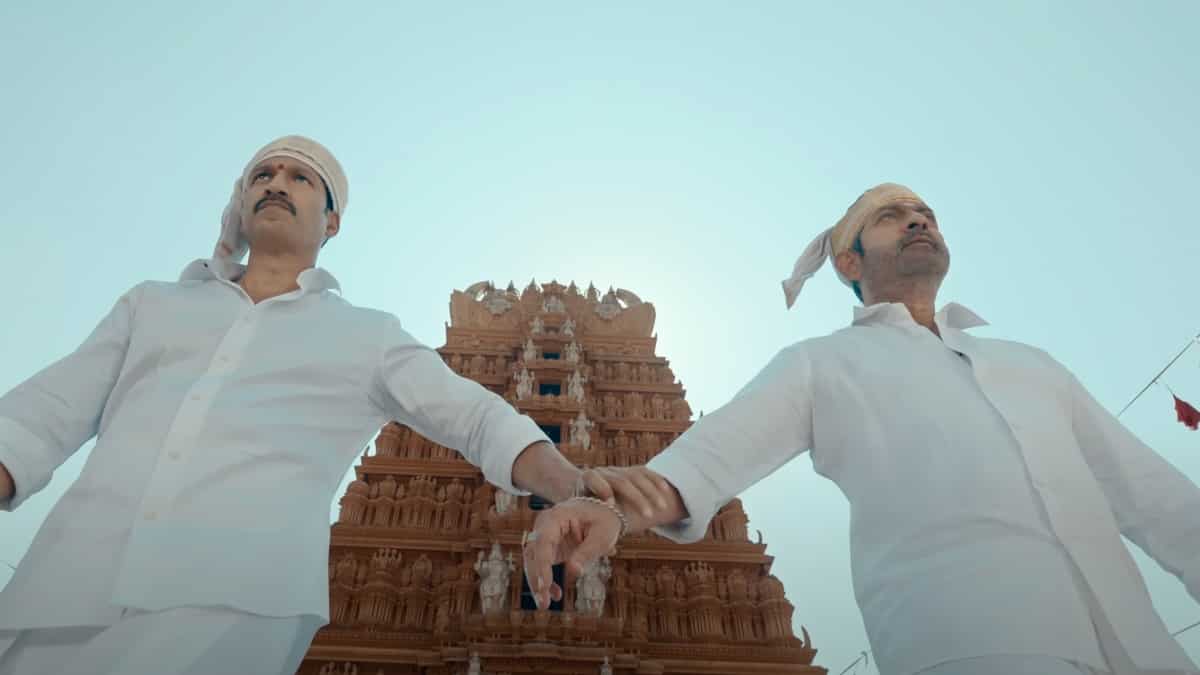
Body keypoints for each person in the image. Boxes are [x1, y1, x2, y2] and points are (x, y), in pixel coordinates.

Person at [0, 136, 666, 675]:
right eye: (263, 174)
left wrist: (574, 487)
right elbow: (45, 410)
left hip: (229, 606)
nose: (277, 183)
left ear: (332, 220)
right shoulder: (153, 303)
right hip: (64, 585)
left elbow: (475, 416)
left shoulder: (364, 335)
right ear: (239, 204)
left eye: (300, 177)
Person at [523, 183, 1200, 675]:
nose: (917, 221)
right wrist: (612, 507)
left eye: (925, 213)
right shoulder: (824, 364)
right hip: (976, 639)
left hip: (1136, 644)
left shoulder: (1032, 366)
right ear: (848, 262)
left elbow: (1153, 495)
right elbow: (709, 458)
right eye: (889, 216)